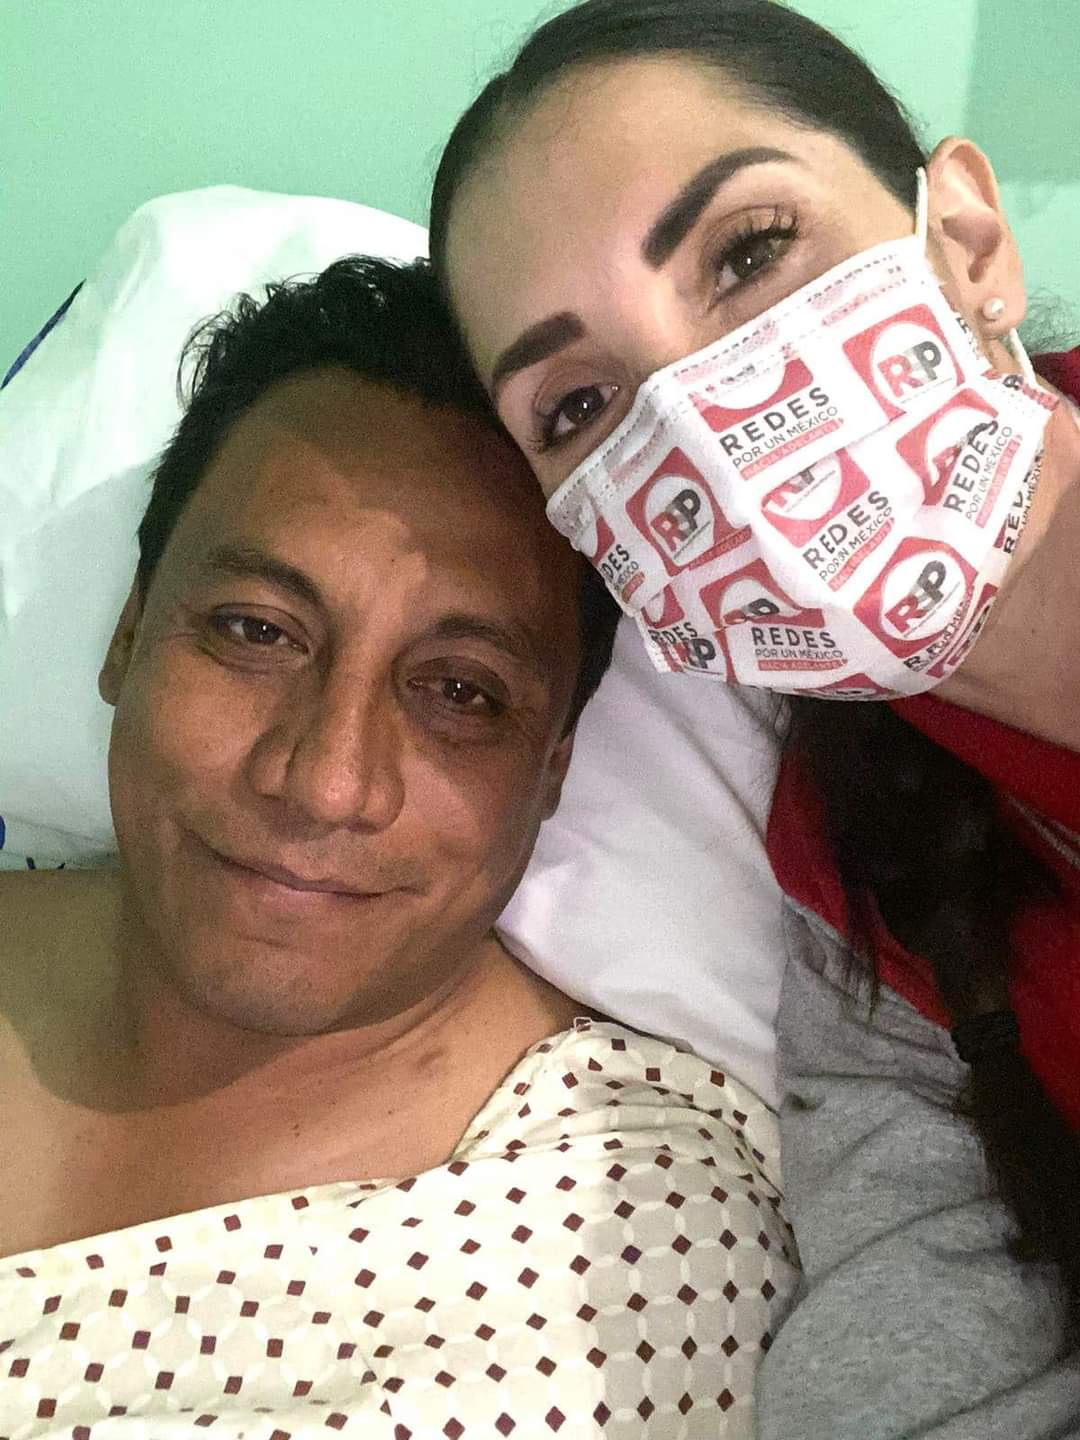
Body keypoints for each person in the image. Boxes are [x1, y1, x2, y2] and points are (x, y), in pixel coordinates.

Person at [0, 256, 799, 1437]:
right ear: (128, 636)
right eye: (256, 630)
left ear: (557, 764)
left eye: (461, 692)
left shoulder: (625, 1253)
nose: (325, 781)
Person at [428, 1, 1080, 1434]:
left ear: (969, 246)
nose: (698, 421)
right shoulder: (865, 906)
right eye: (578, 403)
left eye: (747, 253)